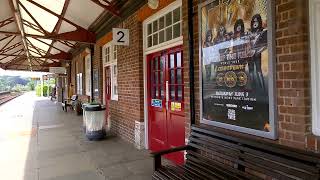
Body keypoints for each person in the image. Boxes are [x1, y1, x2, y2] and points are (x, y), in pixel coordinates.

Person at [248, 14, 267, 92]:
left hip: (257, 54)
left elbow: (266, 44)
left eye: (256, 21)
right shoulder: (249, 33)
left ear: (259, 22)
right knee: (251, 71)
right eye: (253, 21)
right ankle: (254, 90)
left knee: (259, 71)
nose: (255, 23)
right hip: (249, 55)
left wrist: (257, 51)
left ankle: (263, 90)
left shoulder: (262, 32)